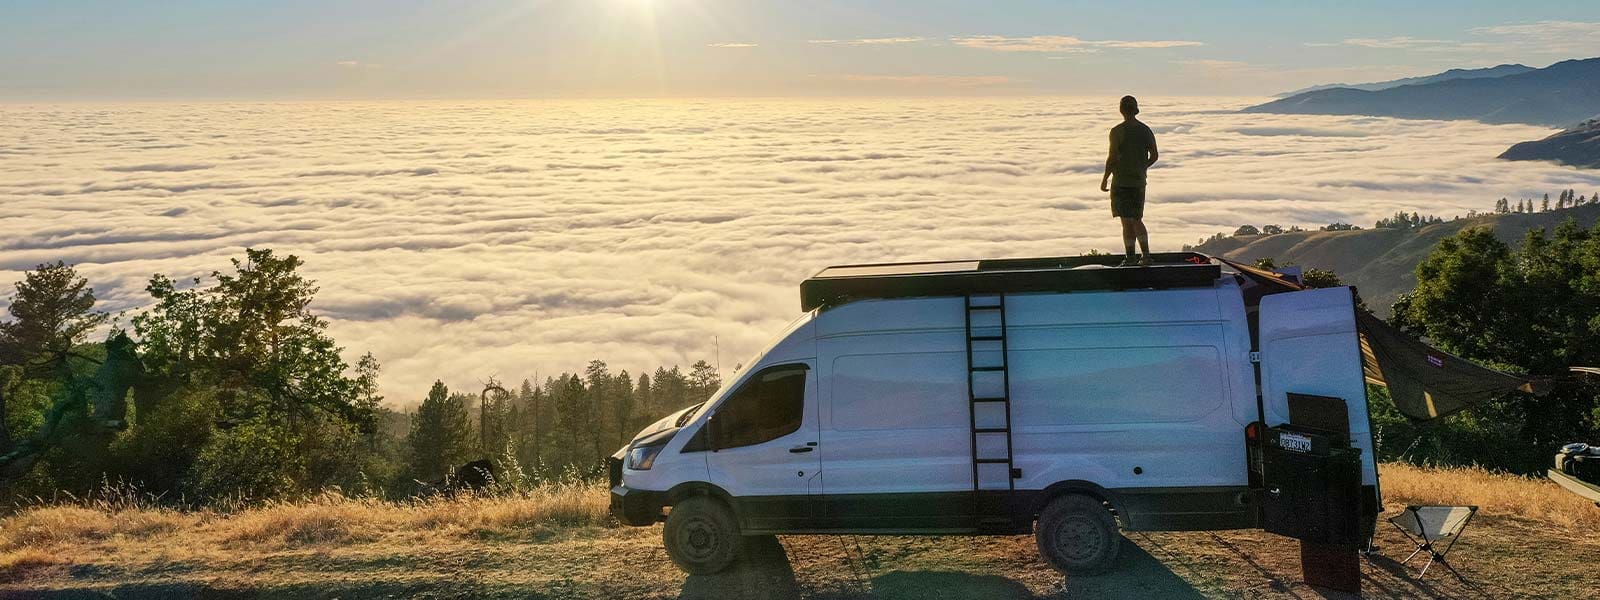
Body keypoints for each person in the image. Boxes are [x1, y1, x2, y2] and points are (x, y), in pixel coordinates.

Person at [1100, 95, 1159, 267]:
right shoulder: (1145, 130)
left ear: (1121, 109)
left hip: (1121, 182)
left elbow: (1112, 158)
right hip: (1139, 182)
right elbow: (1154, 156)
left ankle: (1131, 258)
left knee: (1126, 221)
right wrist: (1141, 167)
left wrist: (1105, 179)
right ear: (1136, 109)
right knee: (1136, 218)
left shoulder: (1117, 131)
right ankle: (1146, 256)